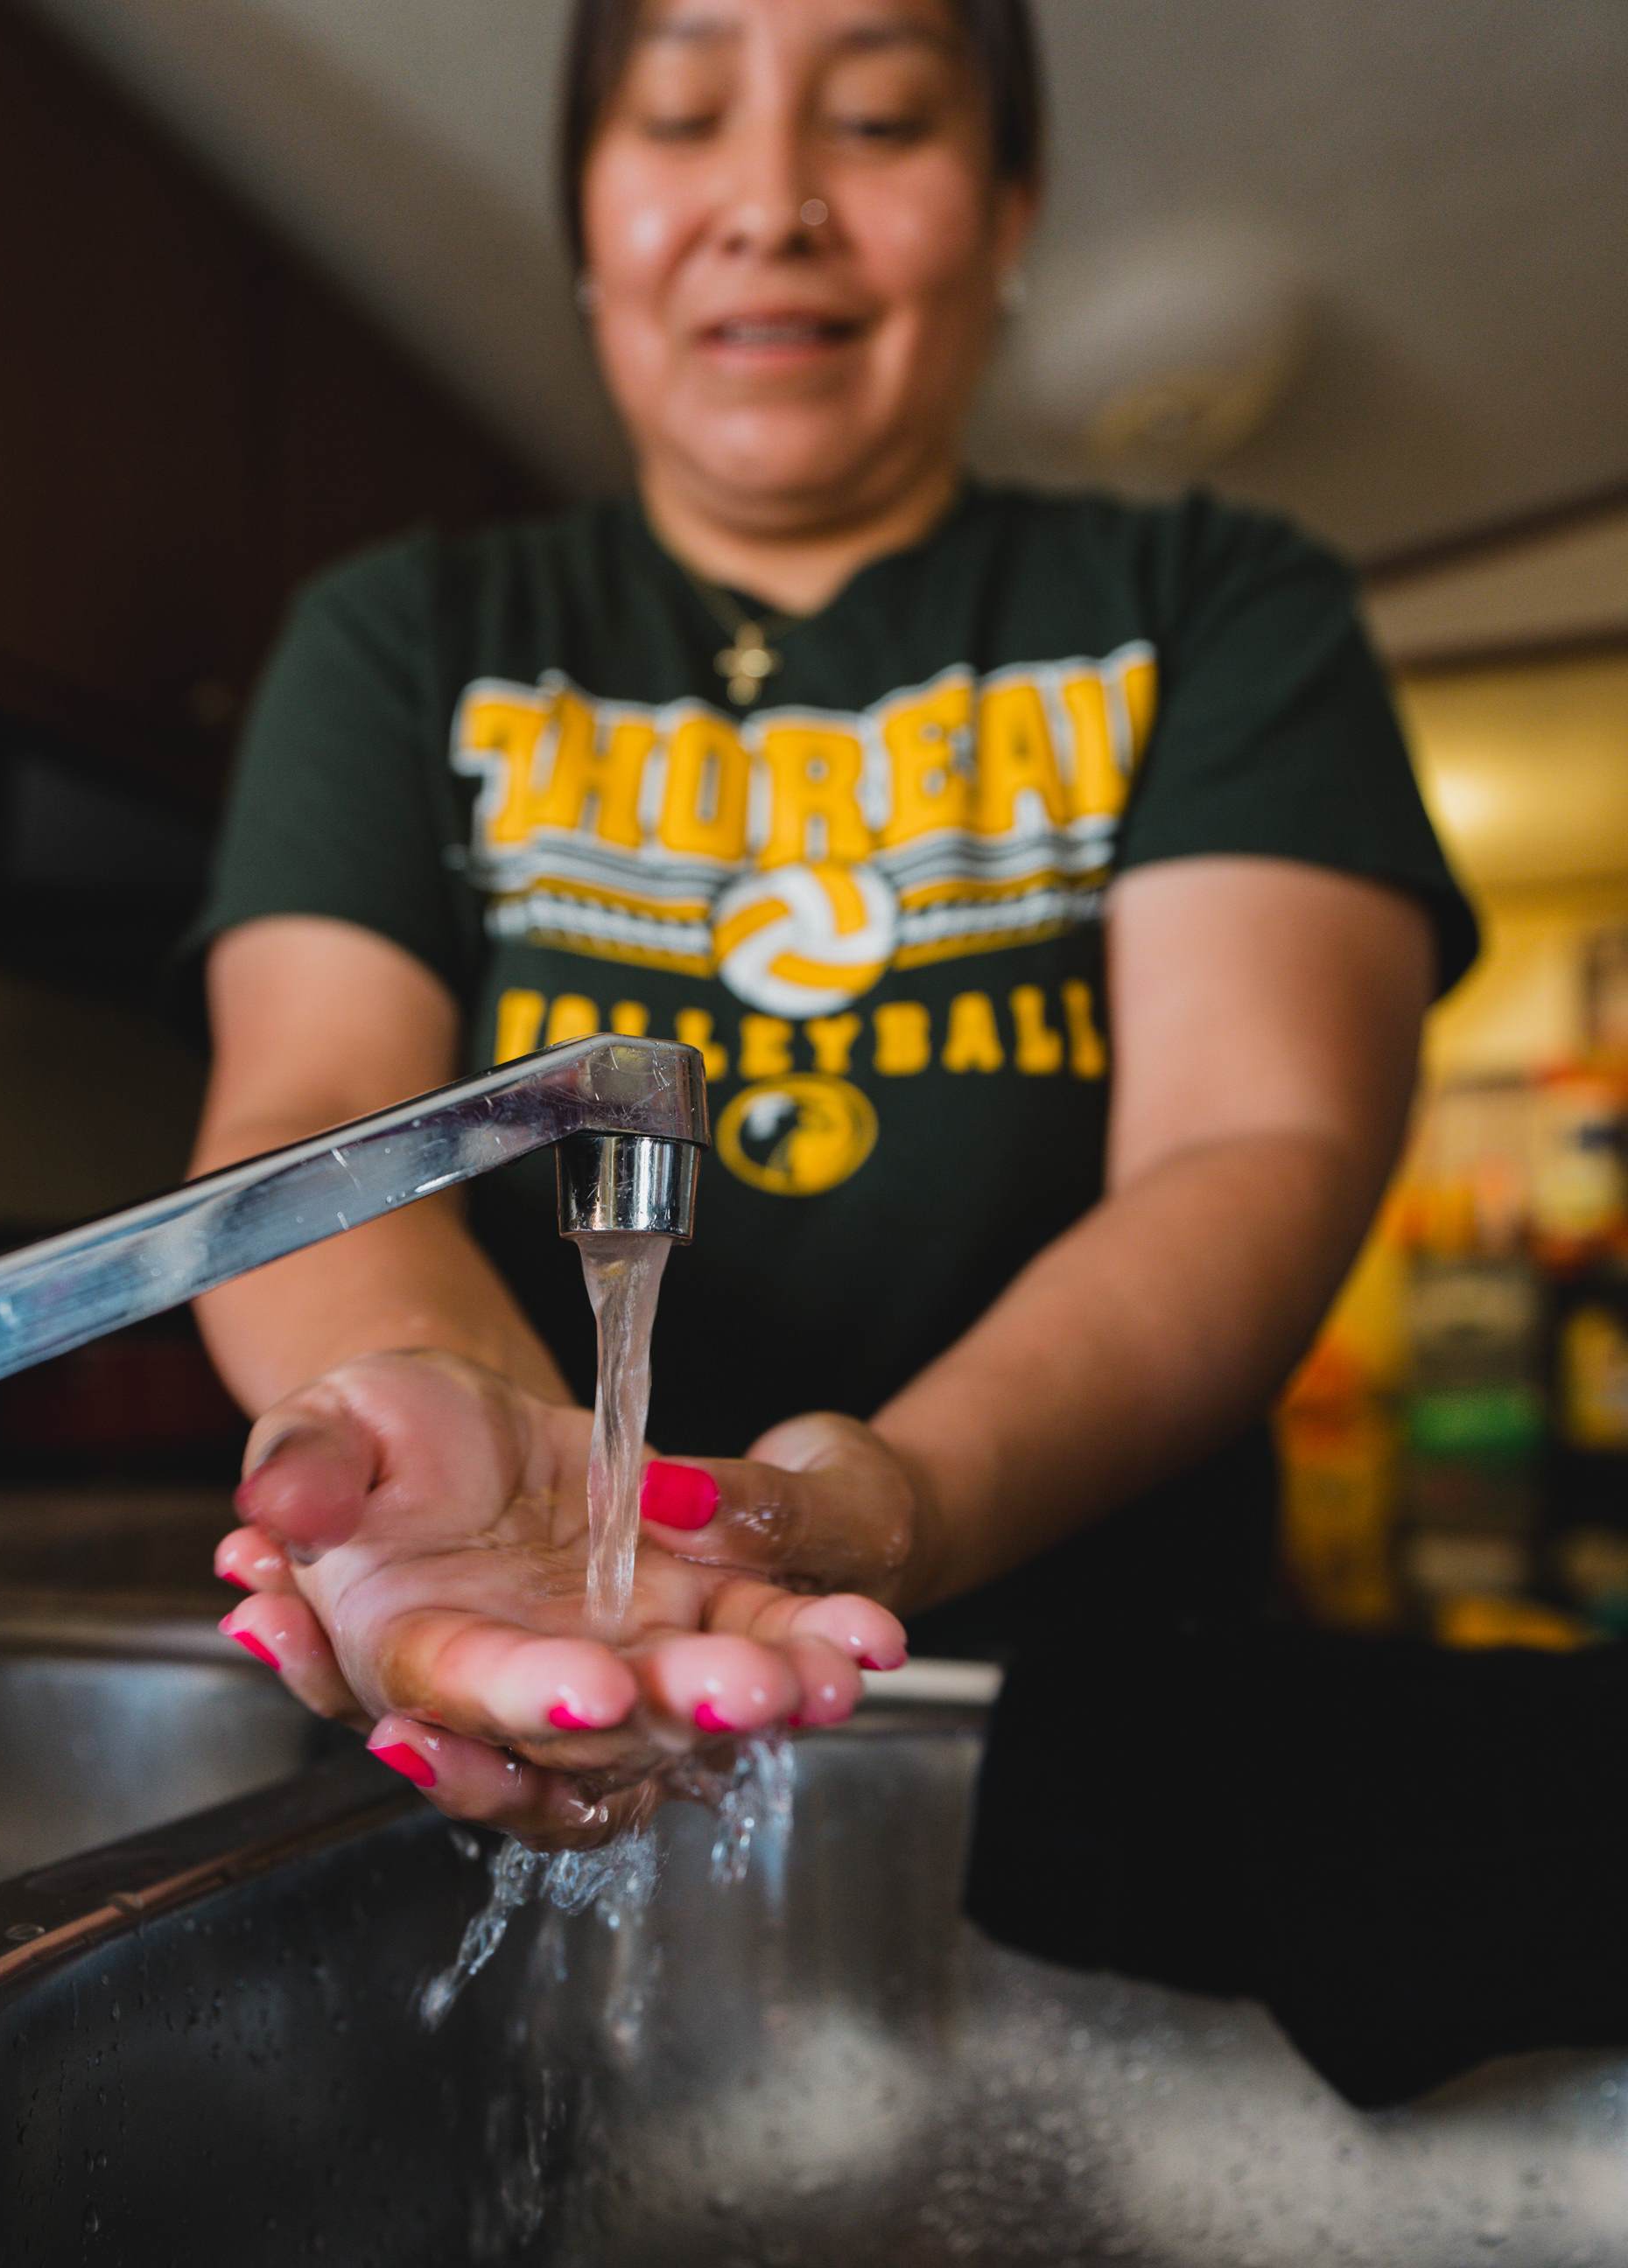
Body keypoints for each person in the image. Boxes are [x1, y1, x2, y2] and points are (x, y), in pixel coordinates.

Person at [192, 0, 1474, 1854]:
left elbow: (1251, 1142)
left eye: (876, 120)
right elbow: (308, 1110)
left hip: (1095, 1740)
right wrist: (475, 1466)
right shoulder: (402, 637)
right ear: (585, 217)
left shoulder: (1210, 602)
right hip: (493, 1689)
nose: (771, 201)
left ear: (1009, 207)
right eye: (686, 116)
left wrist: (896, 1501)